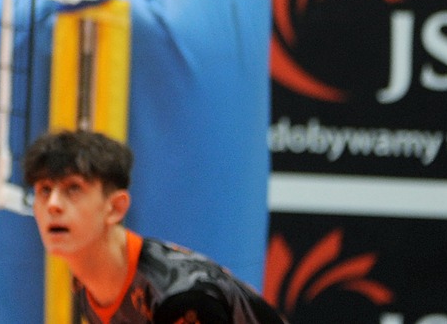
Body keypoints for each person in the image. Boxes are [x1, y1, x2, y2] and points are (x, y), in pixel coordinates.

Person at [26, 129, 285, 324]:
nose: (53, 205)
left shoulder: (182, 298)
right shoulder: (87, 285)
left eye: (73, 188)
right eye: (44, 190)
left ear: (115, 208)